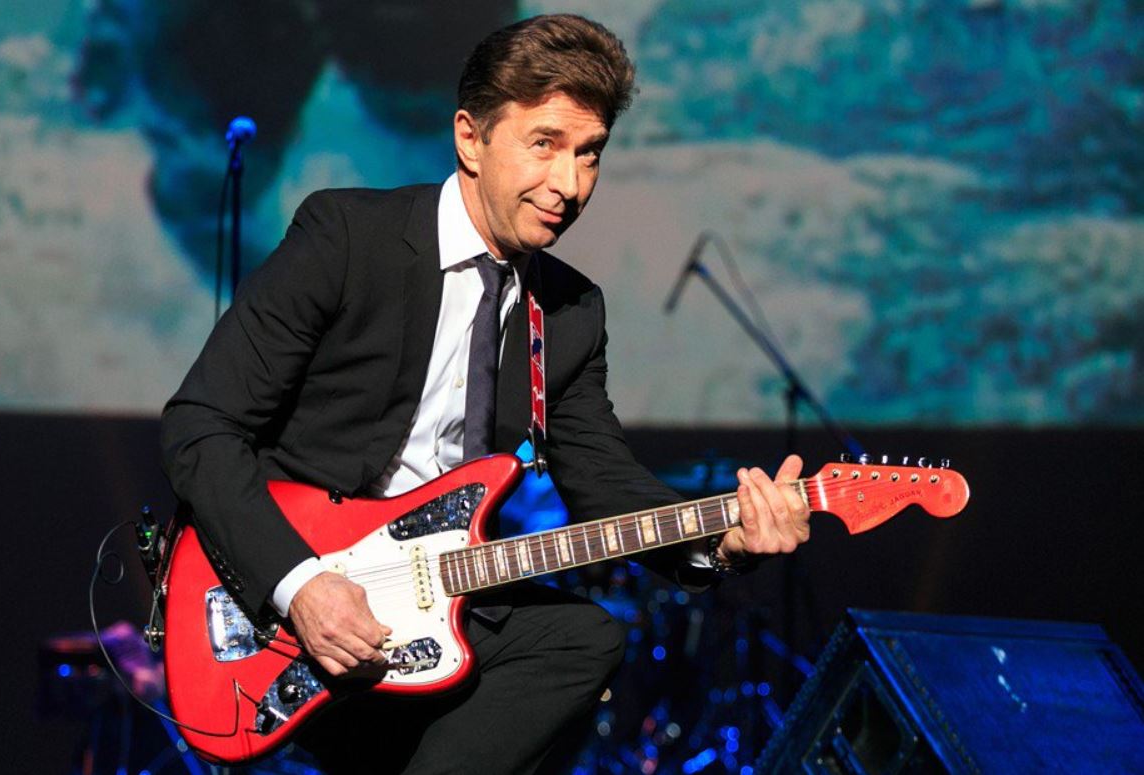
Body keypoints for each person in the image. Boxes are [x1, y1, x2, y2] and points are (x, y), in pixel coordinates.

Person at [161, 14, 810, 774]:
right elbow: (200, 424)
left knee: (584, 638)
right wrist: (301, 584)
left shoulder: (568, 311)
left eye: (589, 154)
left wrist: (719, 542)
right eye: (545, 145)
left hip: (436, 600)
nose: (570, 185)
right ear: (470, 139)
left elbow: (605, 483)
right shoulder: (349, 238)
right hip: (281, 597)